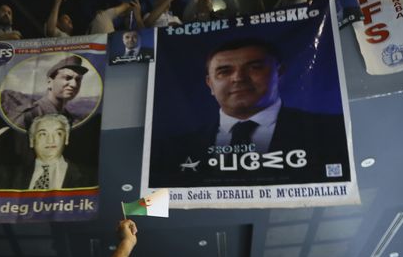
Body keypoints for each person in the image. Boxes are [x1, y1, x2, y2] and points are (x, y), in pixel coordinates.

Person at [149, 36, 349, 187]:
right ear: (210, 84)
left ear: (279, 73)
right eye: (224, 71)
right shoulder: (172, 151)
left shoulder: (332, 132)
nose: (238, 78)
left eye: (254, 67)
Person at [0, 112, 96, 191]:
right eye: (42, 134)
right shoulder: (7, 176)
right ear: (31, 141)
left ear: (66, 139)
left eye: (58, 134)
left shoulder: (90, 178)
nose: (50, 140)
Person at [6, 55, 90, 130]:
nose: (74, 84)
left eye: (78, 80)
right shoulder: (28, 115)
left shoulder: (68, 117)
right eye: (67, 78)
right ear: (50, 82)